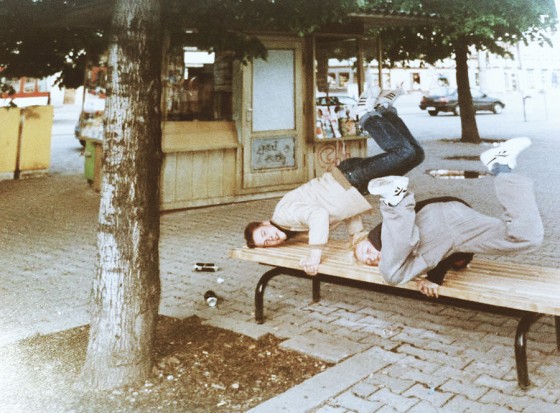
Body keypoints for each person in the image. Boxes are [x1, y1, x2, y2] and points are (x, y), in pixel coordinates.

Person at [244, 85, 424, 275]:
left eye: (264, 233)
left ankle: (364, 114)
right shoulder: (291, 229)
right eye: (266, 243)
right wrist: (357, 235)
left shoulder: (284, 215)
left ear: (265, 223)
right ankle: (385, 110)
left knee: (403, 153)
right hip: (352, 185)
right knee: (415, 155)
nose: (270, 238)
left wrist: (315, 254)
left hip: (349, 178)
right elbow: (342, 210)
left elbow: (320, 215)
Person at [354, 137, 544, 297]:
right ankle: (501, 165)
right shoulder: (405, 259)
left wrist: (432, 276)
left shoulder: (379, 236)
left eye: (365, 251)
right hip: (458, 228)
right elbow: (447, 254)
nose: (371, 257)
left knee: (391, 274)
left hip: (435, 218)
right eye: (370, 261)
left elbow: (394, 243)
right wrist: (435, 277)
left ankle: (395, 198)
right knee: (526, 237)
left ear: (365, 239)